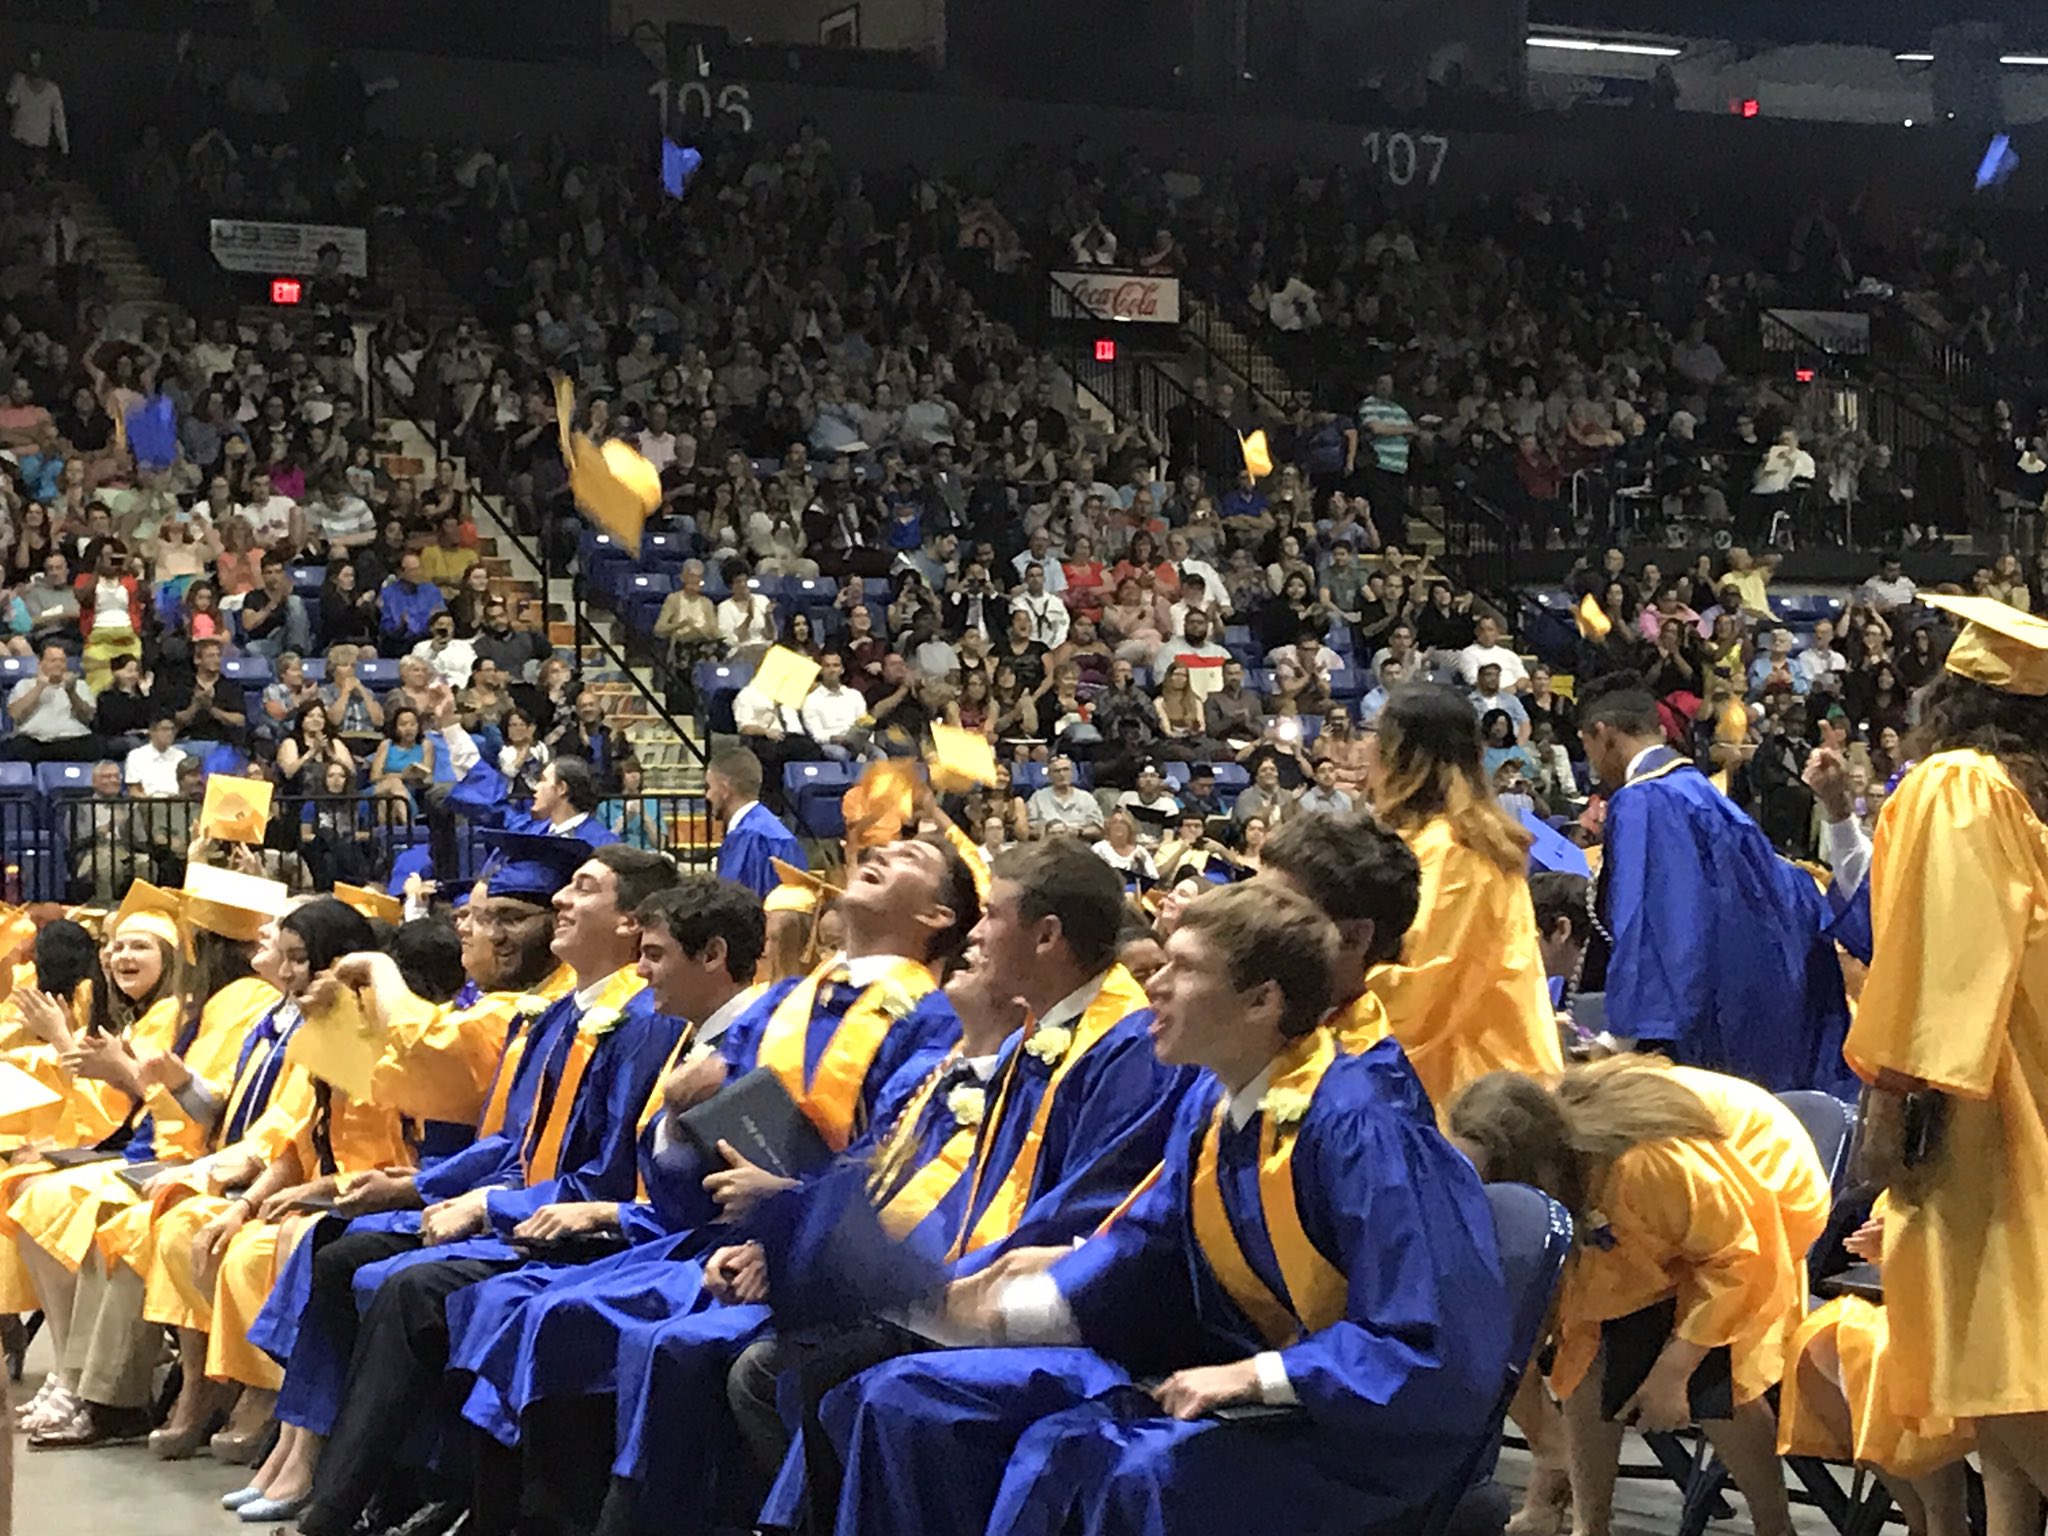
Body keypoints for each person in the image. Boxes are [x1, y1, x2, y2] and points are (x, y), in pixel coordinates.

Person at [821, 882, 1511, 1536]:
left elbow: (1429, 1342)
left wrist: (1257, 1377)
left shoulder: (1363, 1125)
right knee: (916, 1403)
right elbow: (1147, 1251)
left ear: (1262, 1001)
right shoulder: (1213, 1108)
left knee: (1114, 1470)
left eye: (1184, 968)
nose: (1152, 983)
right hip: (1241, 1381)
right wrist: (977, 1308)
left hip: (1360, 1431)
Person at [724, 839, 1193, 1533]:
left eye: (992, 915)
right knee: (816, 1368)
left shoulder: (1123, 1048)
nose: (974, 933)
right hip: (980, 1287)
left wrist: (928, 1286)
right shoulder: (1037, 1037)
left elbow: (1082, 1213)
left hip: (1073, 1312)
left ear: (1047, 936)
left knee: (848, 1379)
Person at [288, 844, 687, 1536]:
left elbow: (606, 1173)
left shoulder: (641, 1021)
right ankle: (387, 1487)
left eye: (582, 888)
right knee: (342, 1249)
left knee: (405, 1286)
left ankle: (349, 1507)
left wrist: (488, 1205)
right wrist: (422, 1187)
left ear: (629, 922)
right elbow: (515, 1143)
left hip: (579, 1231)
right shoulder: (564, 1013)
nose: (561, 900)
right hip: (527, 1210)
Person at [1843, 592, 2048, 1521]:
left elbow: (1948, 959)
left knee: (1993, 1355)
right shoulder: (2021, 794)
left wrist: (1894, 1092)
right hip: (2021, 1075)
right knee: (2002, 1377)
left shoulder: (1958, 784)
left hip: (1987, 1110)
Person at [1449, 1060, 1830, 1536]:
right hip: (1671, 1210)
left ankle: (1775, 1528)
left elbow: (1740, 1258)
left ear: (1534, 1170)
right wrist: (1545, 1438)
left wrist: (1675, 1370)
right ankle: (1590, 1526)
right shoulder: (1557, 1168)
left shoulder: (1641, 1165)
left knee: (1715, 1373)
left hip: (1760, 1187)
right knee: (1586, 1350)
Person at [1575, 676, 1853, 1092]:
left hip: (1702, 1023)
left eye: (1588, 748)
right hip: (1763, 1002)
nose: (1594, 764)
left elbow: (1655, 920)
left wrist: (1620, 1038)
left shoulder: (1646, 800)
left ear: (1603, 734)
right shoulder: (1701, 791)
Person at [1359, 684, 1562, 1110]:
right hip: (1459, 1080)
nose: (1366, 747)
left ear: (1404, 754)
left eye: (1375, 734)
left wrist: (1315, 998)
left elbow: (1420, 989)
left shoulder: (1454, 852)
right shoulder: (1433, 839)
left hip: (1476, 1092)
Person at [706, 745, 805, 897]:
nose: (708, 795)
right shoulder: (776, 831)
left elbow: (732, 904)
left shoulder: (748, 837)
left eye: (709, 787)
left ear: (725, 790)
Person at [1, 642, 97, 762]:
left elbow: (88, 717)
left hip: (72, 741)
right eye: (53, 660)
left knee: (95, 745)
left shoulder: (80, 685)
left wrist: (71, 693)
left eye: (62, 661)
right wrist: (39, 688)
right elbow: (15, 715)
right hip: (35, 742)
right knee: (15, 747)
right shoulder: (25, 684)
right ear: (41, 663)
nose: (58, 664)